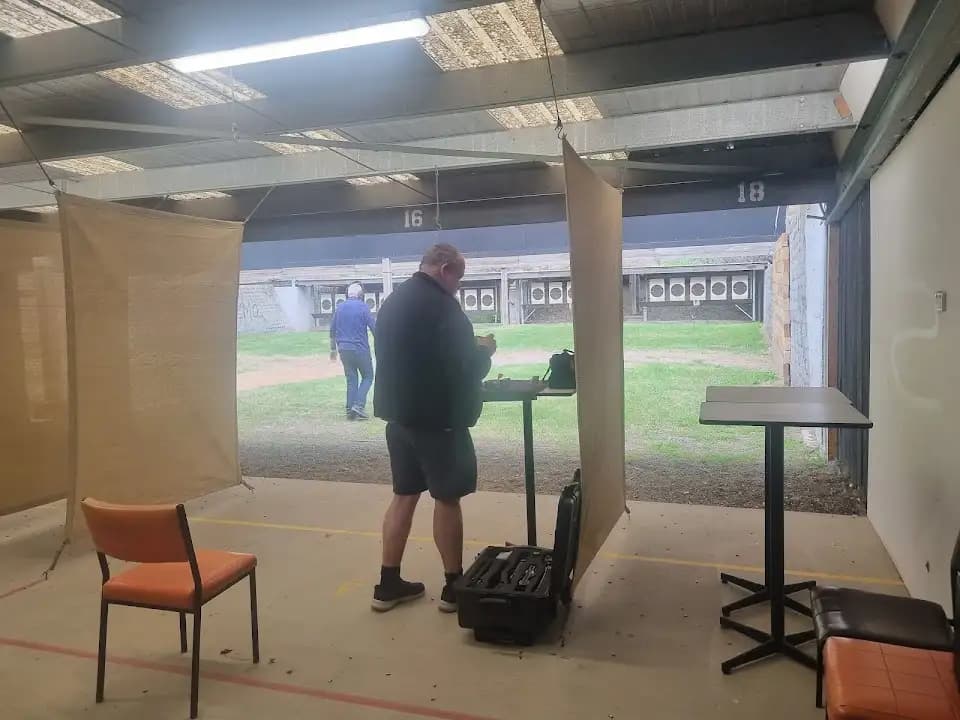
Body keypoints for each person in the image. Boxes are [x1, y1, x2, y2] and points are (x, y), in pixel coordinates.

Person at [371, 243, 496, 613]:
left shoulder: (394, 300)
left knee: (404, 496)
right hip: (437, 421)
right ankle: (454, 586)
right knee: (447, 499)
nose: (457, 287)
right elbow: (464, 368)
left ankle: (388, 583)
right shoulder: (443, 307)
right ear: (444, 269)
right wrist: (485, 352)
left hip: (399, 419)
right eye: (458, 278)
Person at [329, 282, 376, 420]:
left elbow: (332, 331)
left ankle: (350, 411)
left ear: (347, 295)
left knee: (351, 379)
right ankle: (359, 405)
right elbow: (374, 328)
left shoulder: (339, 308)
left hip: (344, 349)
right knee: (368, 376)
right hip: (360, 348)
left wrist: (333, 349)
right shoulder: (363, 307)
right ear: (361, 295)